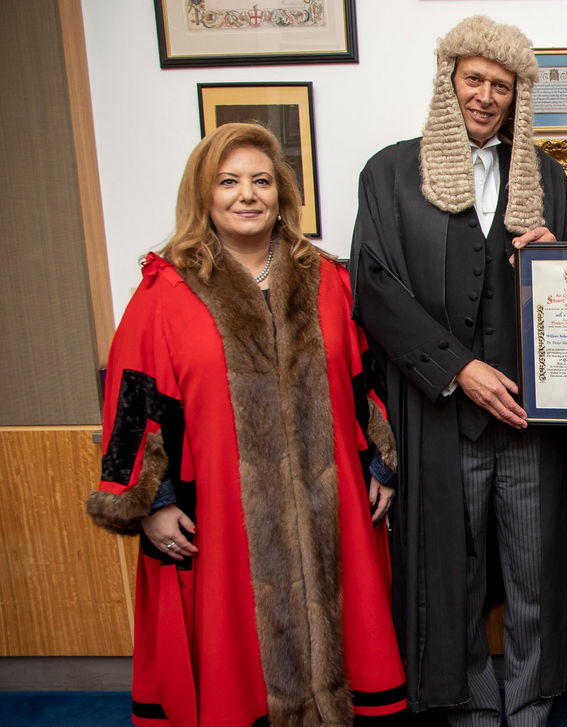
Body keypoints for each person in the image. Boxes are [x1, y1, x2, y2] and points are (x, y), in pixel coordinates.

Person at [86, 122, 407, 725]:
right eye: (229, 182)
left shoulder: (327, 280)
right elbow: (132, 405)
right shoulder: (165, 290)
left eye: (262, 181)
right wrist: (149, 500)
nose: (247, 195)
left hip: (331, 507)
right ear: (203, 194)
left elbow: (367, 381)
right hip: (221, 519)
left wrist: (379, 461)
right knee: (236, 668)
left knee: (348, 654)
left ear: (282, 193)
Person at [348, 15, 567, 726]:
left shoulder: (549, 178)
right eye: (475, 80)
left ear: (517, 95)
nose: (487, 95)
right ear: (448, 82)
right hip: (438, 417)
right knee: (448, 574)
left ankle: (526, 708)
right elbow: (374, 288)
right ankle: (466, 706)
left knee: (533, 572)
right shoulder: (390, 173)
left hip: (529, 421)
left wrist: (557, 261)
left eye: (502, 85)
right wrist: (459, 369)